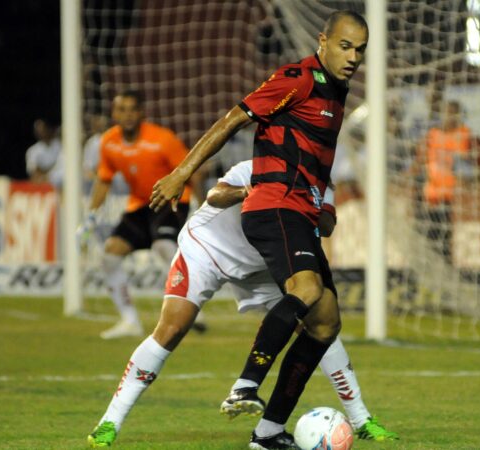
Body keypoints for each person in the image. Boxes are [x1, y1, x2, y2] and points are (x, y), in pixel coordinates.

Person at [149, 10, 369, 449]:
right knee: (307, 290)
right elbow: (233, 119)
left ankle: (267, 433)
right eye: (345, 46)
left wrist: (323, 203)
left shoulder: (336, 90)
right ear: (323, 41)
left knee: (326, 322)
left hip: (302, 209)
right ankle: (245, 385)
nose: (352, 57)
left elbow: (315, 158)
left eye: (359, 50)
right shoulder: (297, 78)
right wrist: (182, 172)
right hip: (274, 203)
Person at [87, 161, 398, 447]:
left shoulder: (321, 184)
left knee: (320, 324)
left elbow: (327, 225)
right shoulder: (259, 167)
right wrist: (247, 192)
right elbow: (215, 195)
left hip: (263, 263)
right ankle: (109, 422)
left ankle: (359, 419)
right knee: (172, 329)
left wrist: (312, 208)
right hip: (207, 250)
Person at [78, 89, 205, 339]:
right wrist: (90, 217)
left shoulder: (162, 139)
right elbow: (104, 179)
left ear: (141, 113)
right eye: (121, 110)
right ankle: (129, 321)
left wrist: (202, 206)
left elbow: (193, 171)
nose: (127, 115)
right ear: (114, 113)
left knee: (164, 246)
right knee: (110, 254)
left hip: (170, 201)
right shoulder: (108, 142)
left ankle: (192, 307)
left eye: (132, 110)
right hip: (139, 206)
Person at [413, 99, 480, 260]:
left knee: (449, 251)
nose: (449, 116)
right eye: (446, 112)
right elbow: (417, 167)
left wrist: (470, 177)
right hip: (431, 202)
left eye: (454, 112)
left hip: (456, 204)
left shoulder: (470, 138)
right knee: (429, 250)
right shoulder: (431, 137)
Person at [25, 117, 63, 187]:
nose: (41, 132)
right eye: (38, 130)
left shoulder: (60, 145)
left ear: (49, 129)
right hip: (43, 184)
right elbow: (34, 172)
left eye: (43, 129)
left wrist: (44, 170)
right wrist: (52, 168)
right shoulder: (33, 150)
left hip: (60, 182)